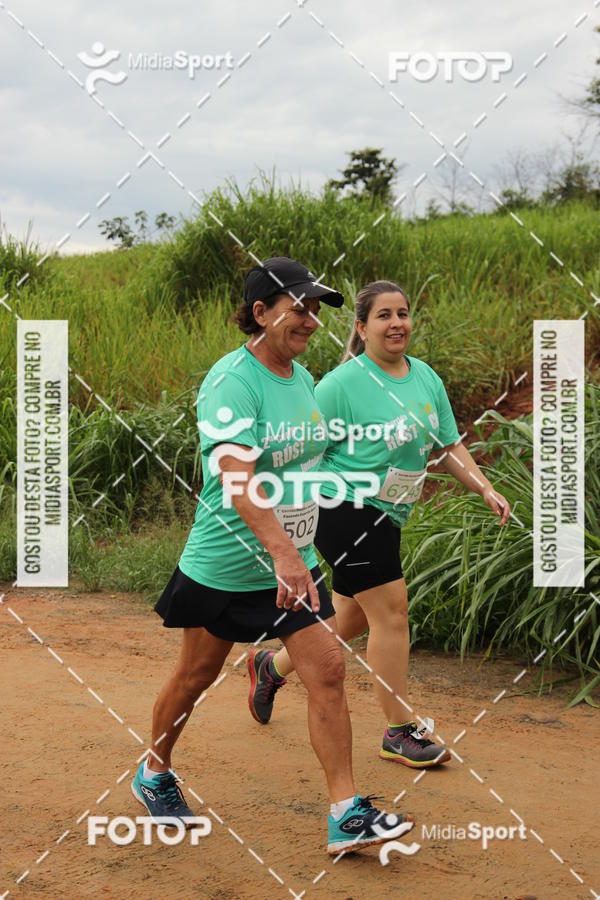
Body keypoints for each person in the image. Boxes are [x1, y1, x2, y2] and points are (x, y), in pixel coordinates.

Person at [131, 260, 414, 854]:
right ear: (260, 313)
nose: (311, 320)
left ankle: (346, 812)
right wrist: (283, 553)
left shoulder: (304, 379)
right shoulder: (231, 382)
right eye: (299, 307)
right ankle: (154, 771)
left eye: (316, 309)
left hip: (294, 563)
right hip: (228, 564)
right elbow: (238, 479)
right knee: (196, 676)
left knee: (329, 672)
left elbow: (304, 464)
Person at [248, 280, 511, 768]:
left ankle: (271, 666)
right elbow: (297, 447)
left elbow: (447, 446)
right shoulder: (342, 385)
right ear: (361, 327)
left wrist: (484, 487)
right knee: (392, 611)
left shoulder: (425, 378)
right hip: (340, 505)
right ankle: (399, 730)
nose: (396, 324)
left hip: (389, 513)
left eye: (403, 314)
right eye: (384, 316)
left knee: (352, 617)